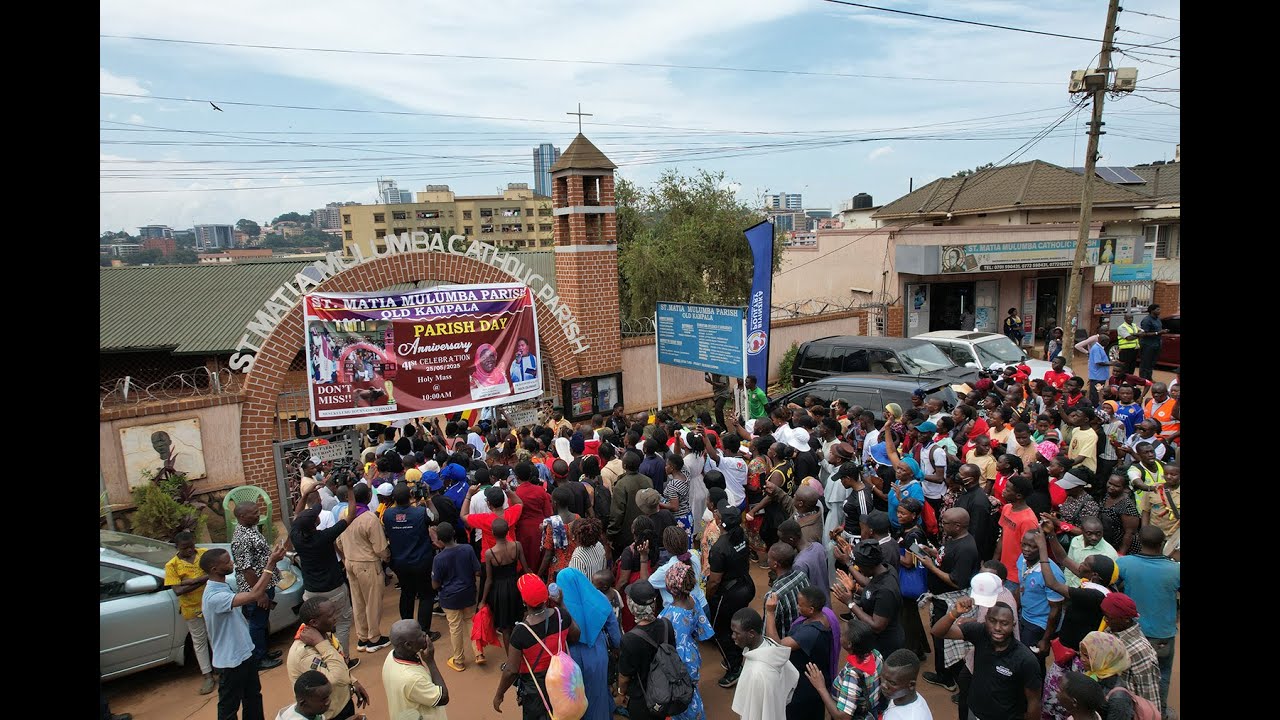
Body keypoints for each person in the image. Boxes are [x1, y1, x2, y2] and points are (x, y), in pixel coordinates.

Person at [201, 543, 286, 720]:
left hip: (245, 653)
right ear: (215, 569)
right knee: (229, 707)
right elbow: (254, 595)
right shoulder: (214, 597)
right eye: (227, 561)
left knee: (253, 697)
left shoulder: (221, 586)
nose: (232, 563)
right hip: (231, 661)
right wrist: (270, 564)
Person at [930, 597, 1042, 720]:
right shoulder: (980, 632)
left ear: (1013, 625)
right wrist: (955, 613)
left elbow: (1034, 703)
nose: (997, 628)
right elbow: (937, 631)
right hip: (974, 713)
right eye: (992, 621)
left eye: (1004, 623)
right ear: (985, 620)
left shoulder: (1026, 660)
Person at [495, 574, 581, 720]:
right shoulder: (562, 615)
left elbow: (511, 670)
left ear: (524, 601)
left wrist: (499, 694)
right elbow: (575, 636)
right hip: (563, 682)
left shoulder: (521, 632)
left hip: (536, 690)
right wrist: (561, 604)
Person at [916, 508, 980, 692]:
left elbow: (956, 580)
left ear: (958, 526)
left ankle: (953, 681)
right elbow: (946, 559)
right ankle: (943, 674)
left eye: (945, 523)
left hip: (950, 601)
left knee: (944, 639)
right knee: (939, 639)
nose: (942, 526)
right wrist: (934, 554)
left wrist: (931, 567)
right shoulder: (954, 539)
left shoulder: (966, 548)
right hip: (939, 599)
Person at [1115, 527, 1179, 709]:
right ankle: (1160, 711)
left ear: (1139, 541)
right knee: (1163, 674)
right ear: (1163, 544)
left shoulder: (1124, 563)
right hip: (1163, 634)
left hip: (1131, 634)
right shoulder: (1175, 569)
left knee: (1127, 675)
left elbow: (1113, 589)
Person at [287, 598, 370, 720]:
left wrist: (353, 681)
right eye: (331, 615)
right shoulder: (304, 652)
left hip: (341, 703)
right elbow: (336, 678)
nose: (336, 617)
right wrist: (321, 643)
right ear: (314, 622)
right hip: (329, 714)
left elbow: (337, 660)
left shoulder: (322, 632)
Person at [558, 568, 622, 720]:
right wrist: (617, 648)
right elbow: (614, 631)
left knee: (575, 697)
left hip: (570, 657)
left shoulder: (559, 608)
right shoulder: (598, 597)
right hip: (597, 652)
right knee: (598, 692)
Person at [229, 498, 285, 670]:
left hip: (264, 585)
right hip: (255, 589)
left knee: (262, 622)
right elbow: (246, 570)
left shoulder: (250, 530)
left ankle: (263, 651)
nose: (258, 515)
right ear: (242, 516)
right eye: (254, 513)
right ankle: (258, 658)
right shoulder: (241, 538)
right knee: (257, 623)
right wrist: (258, 593)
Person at [335, 484, 391, 654]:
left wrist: (346, 556)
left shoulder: (343, 514)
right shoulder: (369, 518)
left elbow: (338, 541)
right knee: (372, 601)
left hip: (350, 562)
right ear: (367, 497)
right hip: (367, 563)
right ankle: (374, 638)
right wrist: (386, 557)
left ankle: (362, 637)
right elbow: (380, 548)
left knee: (358, 601)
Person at [765, 585, 835, 720]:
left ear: (811, 610)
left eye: (800, 605)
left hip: (805, 687)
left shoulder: (810, 633)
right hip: (813, 678)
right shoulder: (825, 615)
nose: (797, 607)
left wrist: (770, 613)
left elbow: (777, 644)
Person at [706, 504, 757, 687]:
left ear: (721, 522)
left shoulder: (719, 548)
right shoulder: (741, 536)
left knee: (718, 630)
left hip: (729, 594)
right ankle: (741, 653)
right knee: (739, 623)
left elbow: (714, 581)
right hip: (746, 585)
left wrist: (709, 596)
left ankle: (734, 667)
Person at [384, 484, 439, 641]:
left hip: (400, 563)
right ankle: (423, 632)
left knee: (407, 593)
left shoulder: (388, 514)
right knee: (426, 595)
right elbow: (435, 517)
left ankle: (406, 631)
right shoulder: (420, 512)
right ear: (411, 496)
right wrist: (427, 498)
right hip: (421, 561)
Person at [164, 531, 217, 695]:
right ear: (177, 548)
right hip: (191, 609)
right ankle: (207, 675)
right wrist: (203, 579)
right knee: (199, 642)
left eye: (191, 546)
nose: (190, 550)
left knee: (215, 637)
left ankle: (222, 669)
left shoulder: (203, 554)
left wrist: (192, 581)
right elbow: (178, 590)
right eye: (185, 548)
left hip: (211, 603)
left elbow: (214, 574)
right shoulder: (172, 565)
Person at [835, 541, 904, 659]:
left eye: (859, 567)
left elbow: (877, 626)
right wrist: (855, 588)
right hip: (878, 640)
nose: (859, 570)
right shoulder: (886, 569)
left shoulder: (886, 591)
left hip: (885, 645)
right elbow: (871, 586)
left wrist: (850, 603)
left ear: (868, 567)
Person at [730, 608, 800, 720]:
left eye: (737, 633)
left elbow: (757, 714)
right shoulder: (768, 645)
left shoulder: (758, 673)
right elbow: (791, 677)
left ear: (751, 633)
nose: (733, 636)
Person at [806, 617, 882, 720]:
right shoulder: (876, 655)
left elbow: (843, 716)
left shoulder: (853, 674)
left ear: (849, 644)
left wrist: (821, 687)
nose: (839, 636)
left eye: (841, 635)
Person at [429, 522, 482, 672]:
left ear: (439, 539)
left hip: (450, 597)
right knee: (471, 621)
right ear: (454, 533)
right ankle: (479, 653)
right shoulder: (468, 549)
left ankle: (459, 660)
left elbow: (434, 584)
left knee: (455, 627)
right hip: (469, 593)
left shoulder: (439, 558)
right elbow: (478, 571)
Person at [1099, 593, 1163, 712]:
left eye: (1109, 617)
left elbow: (1149, 696)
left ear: (1126, 619)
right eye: (1104, 616)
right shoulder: (1112, 634)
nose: (1105, 621)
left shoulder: (1139, 651)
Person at [383, 619, 450, 720]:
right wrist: (430, 662)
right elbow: (443, 698)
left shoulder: (391, 656)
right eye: (420, 635)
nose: (425, 634)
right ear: (408, 645)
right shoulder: (412, 679)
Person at [480, 518, 525, 648]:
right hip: (515, 587)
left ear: (493, 533)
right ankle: (521, 655)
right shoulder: (517, 545)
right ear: (507, 532)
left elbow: (489, 579)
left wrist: (483, 600)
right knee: (518, 622)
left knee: (505, 628)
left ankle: (510, 660)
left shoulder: (490, 553)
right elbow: (525, 568)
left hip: (499, 591)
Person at [997, 476, 1040, 588]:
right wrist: (995, 561)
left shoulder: (1028, 520)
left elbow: (1031, 550)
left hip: (1016, 575)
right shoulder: (1006, 508)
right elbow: (1002, 536)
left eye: (1007, 489)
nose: (1003, 491)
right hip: (1002, 569)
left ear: (1018, 496)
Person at [608, 450, 654, 555]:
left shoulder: (621, 485)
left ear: (624, 465)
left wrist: (611, 534)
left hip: (627, 534)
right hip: (646, 529)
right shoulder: (648, 480)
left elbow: (617, 513)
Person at [512, 462, 553, 573]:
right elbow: (549, 513)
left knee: (527, 559)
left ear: (516, 477)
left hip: (523, 531)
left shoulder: (516, 494)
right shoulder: (540, 491)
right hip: (541, 529)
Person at [762, 542, 809, 638]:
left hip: (784, 644)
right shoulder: (802, 576)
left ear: (775, 564)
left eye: (769, 558)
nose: (767, 560)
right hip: (803, 634)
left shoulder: (773, 596)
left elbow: (767, 632)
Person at [1056, 517, 1117, 588]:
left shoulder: (1109, 553)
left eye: (1098, 534)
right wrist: (1067, 585)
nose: (1094, 537)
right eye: (1089, 533)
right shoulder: (1076, 541)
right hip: (1070, 587)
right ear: (1082, 531)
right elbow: (1068, 567)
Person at [539, 485, 581, 582]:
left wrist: (539, 573)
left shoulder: (553, 523)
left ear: (555, 503)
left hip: (558, 570)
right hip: (575, 564)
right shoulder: (578, 519)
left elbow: (548, 554)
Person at [875, 649, 932, 720]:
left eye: (892, 683)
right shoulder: (900, 697)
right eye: (882, 677)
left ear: (911, 685)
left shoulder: (911, 717)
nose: (883, 685)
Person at [1139, 464, 1180, 559]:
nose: (1169, 477)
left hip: (1174, 537)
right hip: (1153, 536)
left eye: (1173, 474)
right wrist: (1144, 531)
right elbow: (1146, 511)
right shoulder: (1154, 489)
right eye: (1166, 474)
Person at [1136, 304, 1165, 381]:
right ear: (1152, 310)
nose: (1159, 311)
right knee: (1145, 362)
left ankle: (1149, 378)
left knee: (1152, 362)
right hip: (1147, 344)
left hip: (1156, 344)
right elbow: (1144, 334)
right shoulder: (1147, 320)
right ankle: (1143, 379)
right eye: (1157, 309)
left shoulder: (1158, 319)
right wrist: (1157, 333)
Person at [1085, 335, 1112, 406]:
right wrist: (1112, 363)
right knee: (1095, 395)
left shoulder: (1099, 348)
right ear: (1103, 341)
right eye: (1107, 341)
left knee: (1098, 393)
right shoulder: (1096, 349)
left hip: (1100, 375)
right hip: (1097, 376)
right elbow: (1098, 362)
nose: (1108, 343)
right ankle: (1094, 408)